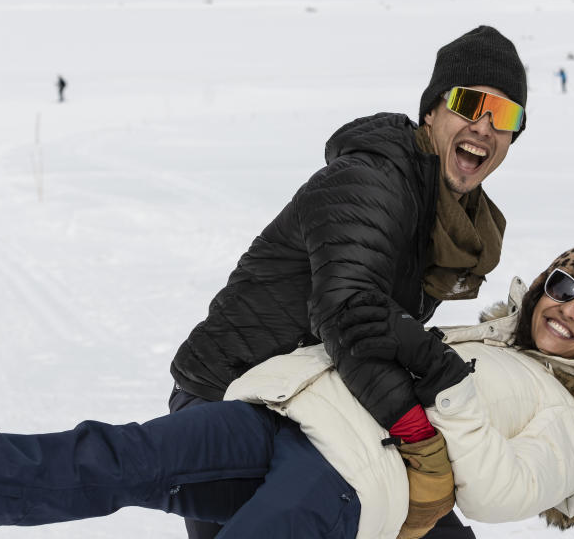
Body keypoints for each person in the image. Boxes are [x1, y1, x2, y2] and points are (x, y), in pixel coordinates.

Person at [0, 246, 574, 539]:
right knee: (114, 457)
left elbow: (503, 494)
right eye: (565, 285)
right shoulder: (489, 336)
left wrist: (448, 390)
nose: (569, 308)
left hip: (347, 477)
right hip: (282, 414)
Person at [168, 26, 527, 539]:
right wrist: (415, 436)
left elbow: (383, 331)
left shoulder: (452, 221)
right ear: (432, 111)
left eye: (507, 115)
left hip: (318, 398)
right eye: (470, 103)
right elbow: (347, 313)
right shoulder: (374, 182)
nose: (485, 125)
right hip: (228, 398)